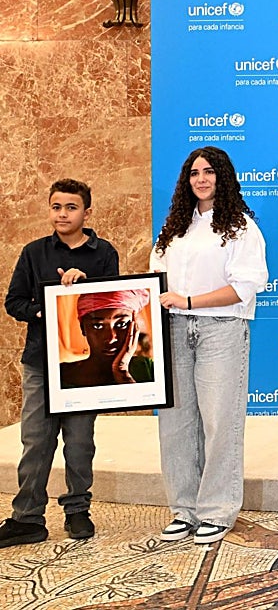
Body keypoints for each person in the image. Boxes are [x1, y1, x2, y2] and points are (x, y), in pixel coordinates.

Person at [151, 146, 268, 545]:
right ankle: (184, 510)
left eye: (209, 172)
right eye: (194, 172)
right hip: (173, 332)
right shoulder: (174, 229)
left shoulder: (240, 228)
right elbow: (154, 280)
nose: (201, 179)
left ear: (224, 177)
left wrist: (189, 301)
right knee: (176, 424)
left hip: (221, 330)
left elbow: (244, 287)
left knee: (220, 422)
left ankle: (216, 511)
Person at [0, 179, 119, 547]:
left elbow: (114, 303)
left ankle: (78, 510)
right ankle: (27, 518)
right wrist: (43, 310)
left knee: (80, 441)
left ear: (87, 212)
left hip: (84, 367)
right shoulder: (34, 252)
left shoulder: (104, 253)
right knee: (36, 439)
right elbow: (14, 302)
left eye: (70, 207)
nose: (62, 214)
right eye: (56, 207)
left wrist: (85, 288)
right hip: (40, 361)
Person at [60, 288, 153, 389]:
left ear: (135, 325)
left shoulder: (148, 369)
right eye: (97, 326)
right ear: (82, 328)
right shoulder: (59, 375)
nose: (111, 338)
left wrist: (122, 372)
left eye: (121, 324)